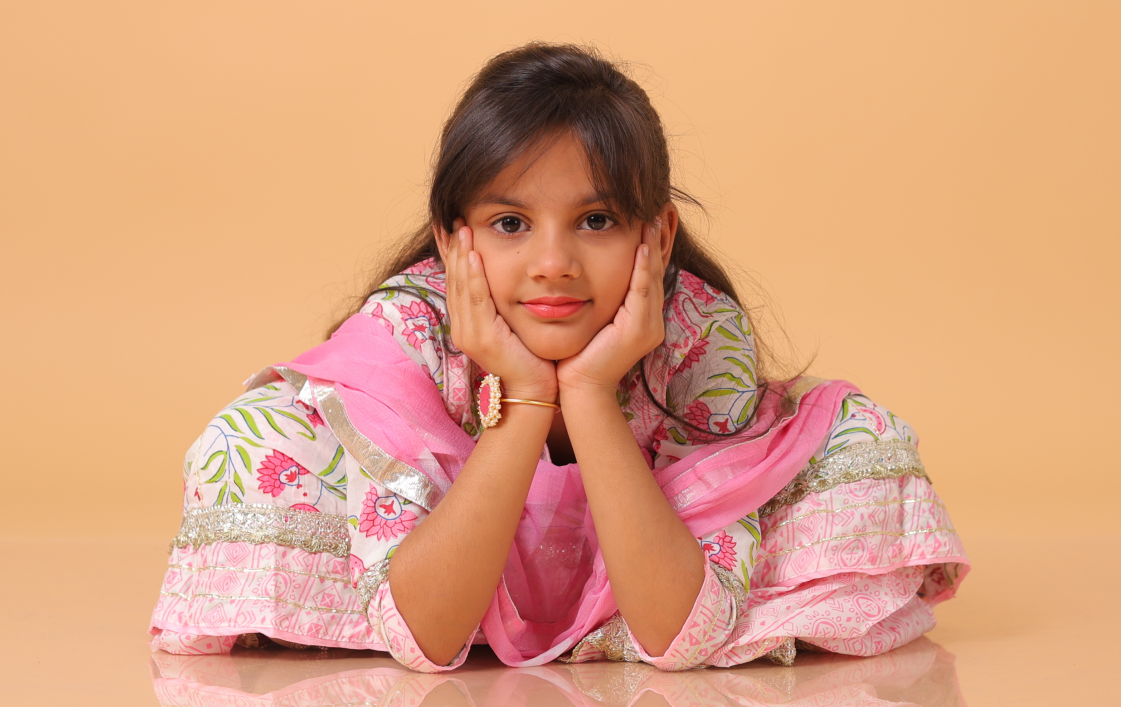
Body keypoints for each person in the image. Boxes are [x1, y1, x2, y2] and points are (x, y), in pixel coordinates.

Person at [149, 43, 969, 672]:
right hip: (448, 558)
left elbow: (677, 632)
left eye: (596, 221)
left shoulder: (695, 329)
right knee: (253, 438)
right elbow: (425, 637)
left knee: (860, 439)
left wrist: (588, 392)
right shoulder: (408, 325)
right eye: (510, 224)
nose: (552, 264)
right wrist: (522, 401)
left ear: (656, 235)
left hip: (647, 553)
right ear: (452, 241)